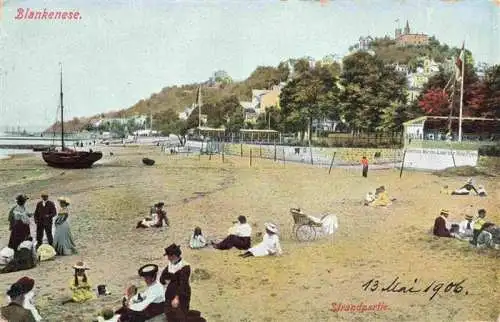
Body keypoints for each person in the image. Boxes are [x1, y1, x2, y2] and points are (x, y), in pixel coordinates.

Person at [160, 244, 191, 321]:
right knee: (169, 314)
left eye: (169, 256)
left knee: (181, 315)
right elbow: (162, 277)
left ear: (173, 256)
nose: (168, 258)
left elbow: (183, 284)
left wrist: (176, 298)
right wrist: (165, 280)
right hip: (170, 294)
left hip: (181, 295)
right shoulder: (170, 264)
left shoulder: (185, 266)